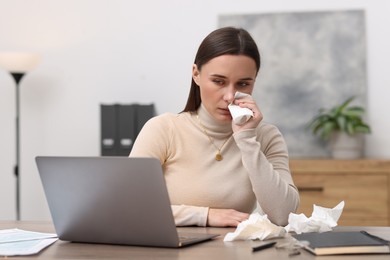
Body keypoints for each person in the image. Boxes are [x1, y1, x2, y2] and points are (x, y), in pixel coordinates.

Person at [129, 27, 300, 227]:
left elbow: (284, 216)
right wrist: (205, 216)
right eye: (219, 81)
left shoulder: (266, 136)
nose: (230, 96)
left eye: (243, 84)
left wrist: (246, 139)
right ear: (196, 74)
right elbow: (128, 205)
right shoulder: (164, 129)